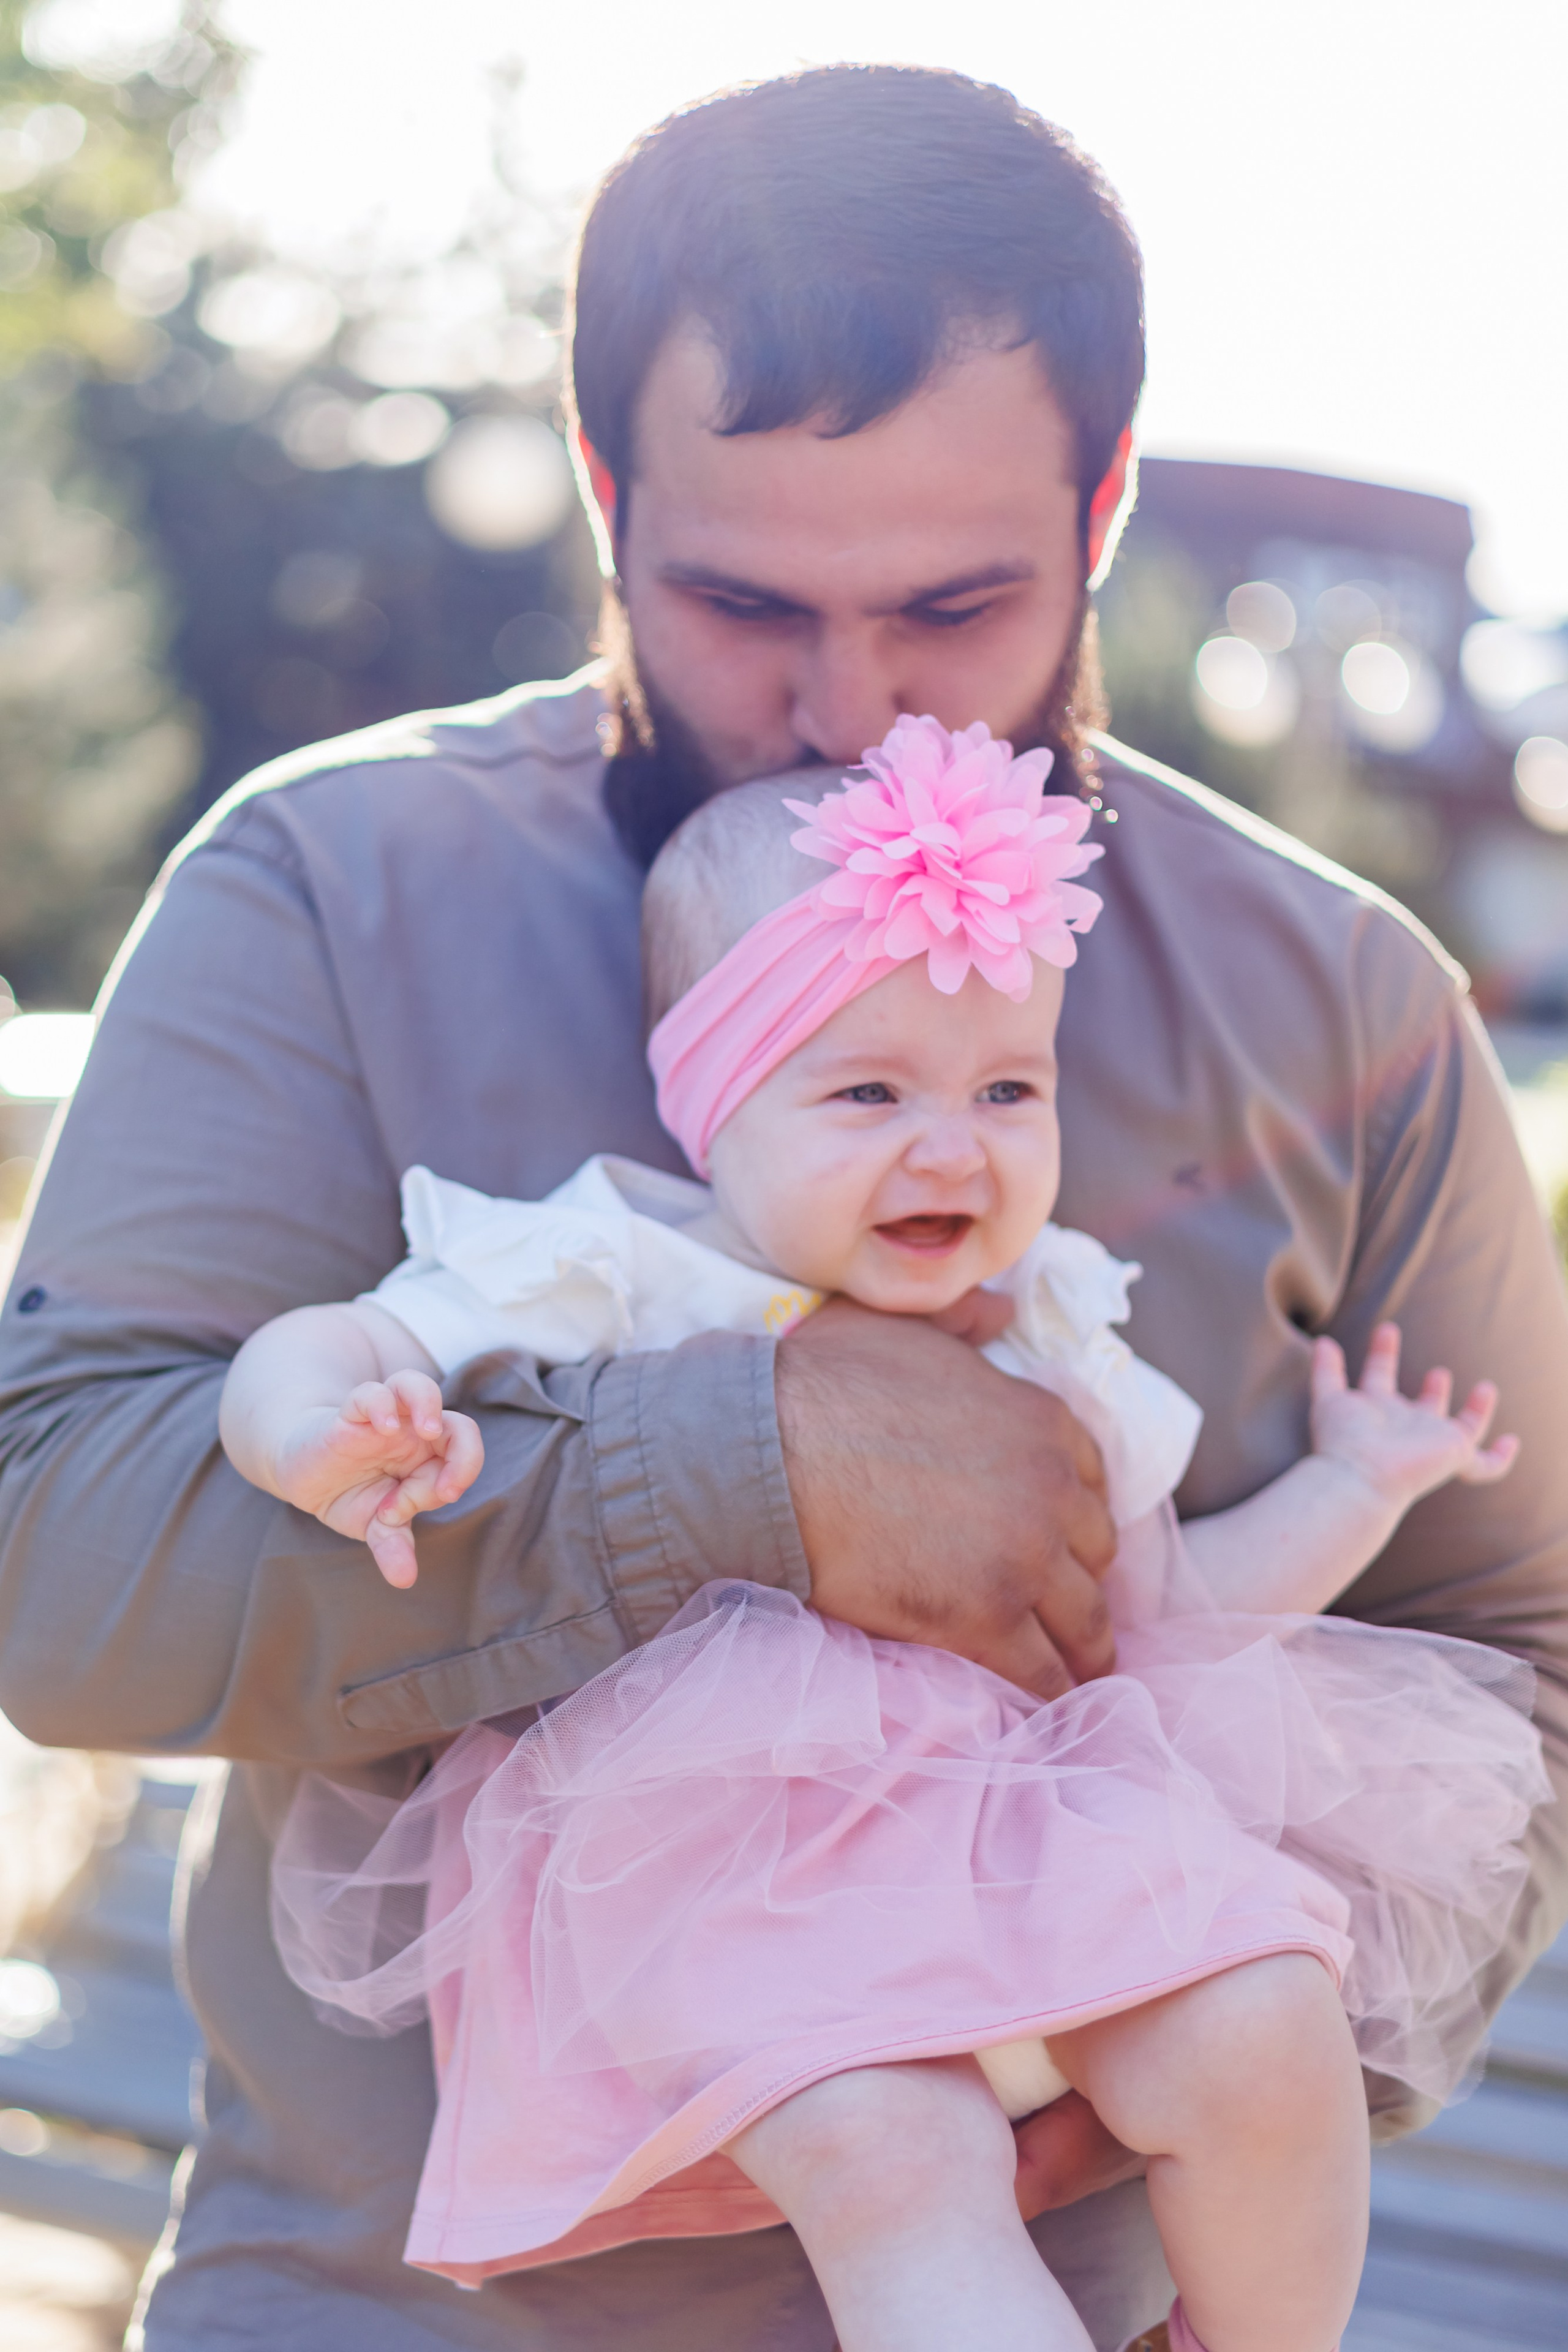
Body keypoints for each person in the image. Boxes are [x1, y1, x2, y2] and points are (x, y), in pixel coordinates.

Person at [0, 61, 1564, 2352]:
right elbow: (55, 1564)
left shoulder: (1351, 1007)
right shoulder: (325, 890)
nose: (845, 703)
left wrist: (1195, 2068)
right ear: (609, 496)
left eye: (956, 601)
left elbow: (1510, 1668)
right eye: (740, 599)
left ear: (1107, 501)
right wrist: (746, 1474)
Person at [223, 729, 1544, 2352]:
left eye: (1008, 1089)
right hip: (726, 1861)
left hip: (1034, 1836)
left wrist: (1358, 1488)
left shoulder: (1052, 1324)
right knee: (897, 2160)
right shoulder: (618, 1266)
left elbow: (1167, 1618)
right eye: (866, 1092)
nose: (951, 1147)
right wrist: (321, 1434)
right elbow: (326, 1344)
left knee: (1271, 2024)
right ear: (720, 1104)